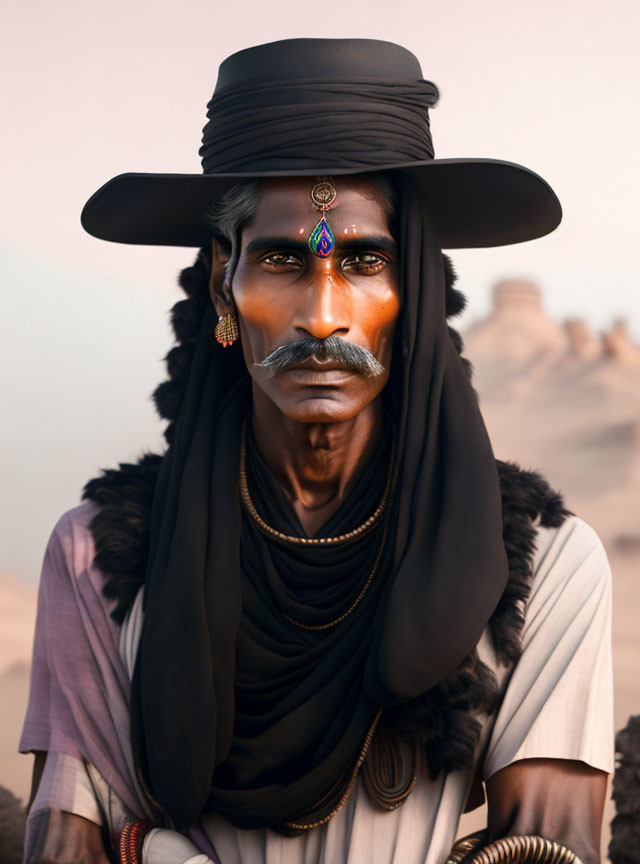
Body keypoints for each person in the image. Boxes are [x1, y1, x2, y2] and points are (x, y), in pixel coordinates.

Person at [20, 38, 613, 864]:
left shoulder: (546, 568)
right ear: (226, 278)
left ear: (415, 295)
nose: (324, 314)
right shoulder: (97, 560)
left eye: (364, 260)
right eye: (282, 260)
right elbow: (68, 850)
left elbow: (552, 853)